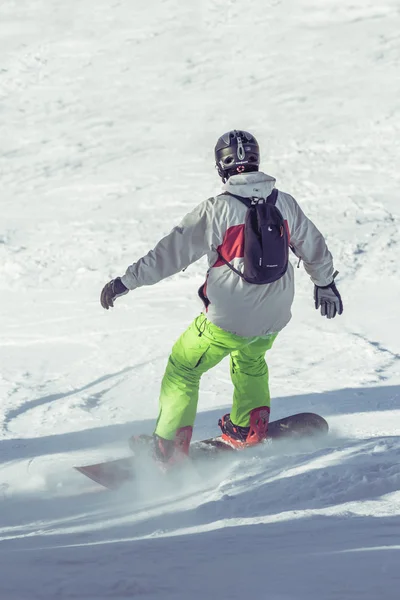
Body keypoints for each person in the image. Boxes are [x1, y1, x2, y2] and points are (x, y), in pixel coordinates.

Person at [100, 130, 343, 464]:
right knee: (251, 359)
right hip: (274, 314)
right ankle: (249, 429)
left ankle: (167, 448)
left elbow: (169, 253)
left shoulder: (216, 210)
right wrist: (325, 283)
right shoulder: (283, 203)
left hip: (228, 317)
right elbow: (314, 244)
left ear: (221, 166)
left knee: (183, 367)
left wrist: (125, 282)